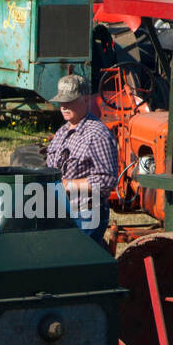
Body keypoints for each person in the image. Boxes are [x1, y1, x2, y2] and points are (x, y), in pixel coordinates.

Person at [45, 73, 116, 242]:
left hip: (86, 213)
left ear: (86, 100)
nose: (63, 106)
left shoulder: (97, 134)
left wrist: (68, 185)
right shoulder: (62, 132)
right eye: (61, 101)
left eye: (70, 101)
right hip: (60, 210)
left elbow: (107, 180)